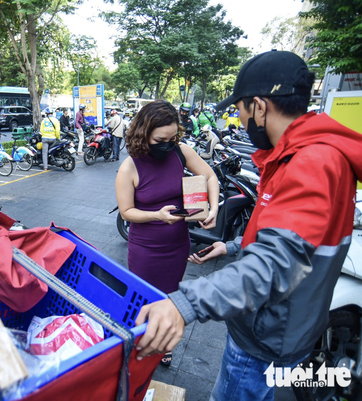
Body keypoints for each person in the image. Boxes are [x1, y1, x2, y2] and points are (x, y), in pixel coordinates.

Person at [134, 51, 362, 401]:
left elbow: (277, 262)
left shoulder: (313, 161)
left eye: (239, 109)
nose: (239, 120)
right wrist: (235, 246)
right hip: (279, 328)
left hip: (269, 337)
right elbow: (294, 238)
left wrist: (185, 304)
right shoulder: (298, 154)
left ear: (259, 106)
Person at [115, 100, 219, 364]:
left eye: (173, 138)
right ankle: (142, 341)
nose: (168, 144)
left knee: (171, 295)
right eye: (161, 139)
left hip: (178, 244)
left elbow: (210, 176)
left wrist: (214, 208)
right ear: (144, 132)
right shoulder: (129, 167)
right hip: (146, 250)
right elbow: (126, 212)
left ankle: (164, 344)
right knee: (146, 298)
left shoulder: (180, 151)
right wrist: (156, 215)